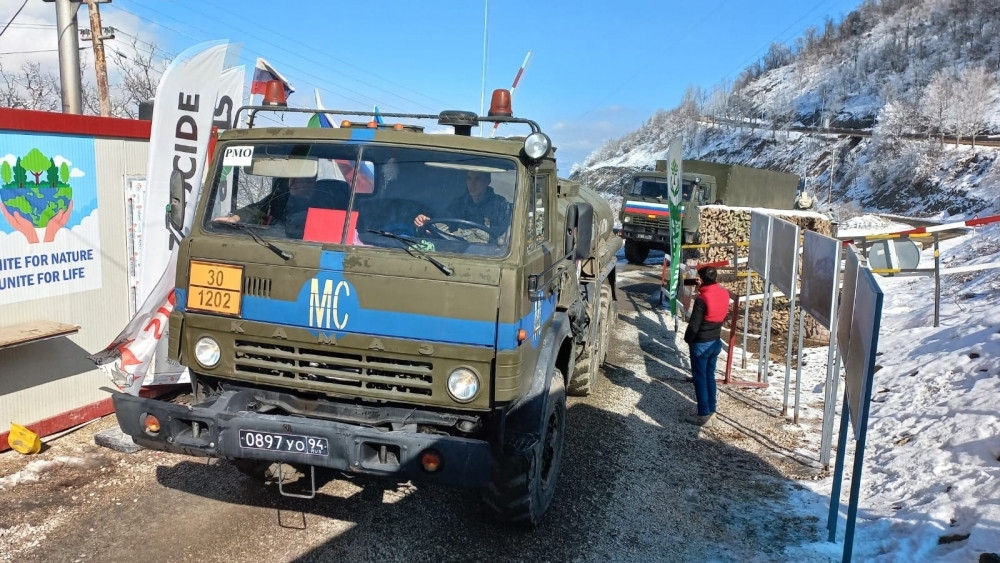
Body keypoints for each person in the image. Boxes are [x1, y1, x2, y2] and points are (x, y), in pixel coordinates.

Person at [215, 176, 349, 239]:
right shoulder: (281, 197)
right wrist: (235, 218)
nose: (295, 183)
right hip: (276, 244)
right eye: (293, 179)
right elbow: (258, 209)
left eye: (302, 180)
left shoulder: (327, 203)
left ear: (312, 182)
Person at [683, 266, 729, 427]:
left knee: (700, 379)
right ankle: (712, 411)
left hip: (701, 344)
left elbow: (694, 325)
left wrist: (688, 339)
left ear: (701, 280)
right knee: (709, 377)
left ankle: (703, 415)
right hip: (715, 341)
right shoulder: (724, 293)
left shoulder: (702, 299)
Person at [413, 170, 511, 241]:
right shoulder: (459, 203)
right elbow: (445, 221)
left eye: (477, 179)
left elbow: (490, 235)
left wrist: (455, 236)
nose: (472, 184)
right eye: (469, 178)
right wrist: (428, 225)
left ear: (487, 181)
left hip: (486, 256)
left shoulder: (500, 205)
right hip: (456, 251)